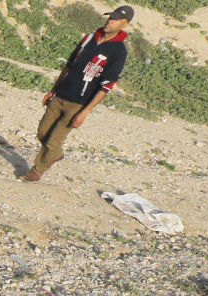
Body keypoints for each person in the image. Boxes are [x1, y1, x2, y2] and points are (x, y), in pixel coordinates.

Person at [24, 6, 134, 182]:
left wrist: (85, 112)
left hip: (78, 104)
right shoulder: (90, 38)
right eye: (109, 17)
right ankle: (55, 154)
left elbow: (107, 85)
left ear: (125, 24)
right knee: (42, 132)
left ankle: (37, 171)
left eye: (115, 20)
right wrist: (53, 90)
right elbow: (68, 65)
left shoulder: (119, 51)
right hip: (60, 95)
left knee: (53, 141)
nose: (110, 21)